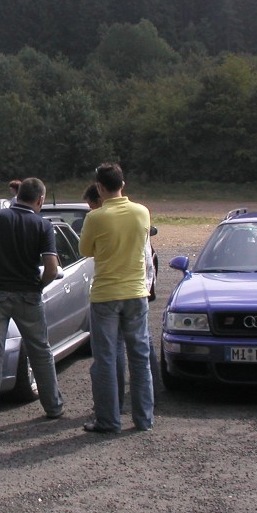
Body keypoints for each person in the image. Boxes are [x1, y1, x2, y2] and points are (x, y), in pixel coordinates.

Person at [0, 177, 65, 431]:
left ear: (17, 195)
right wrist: (38, 286)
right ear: (40, 199)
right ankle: (53, 407)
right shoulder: (43, 225)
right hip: (28, 294)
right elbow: (51, 268)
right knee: (40, 351)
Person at [78, 163, 154, 434]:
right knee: (139, 356)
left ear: (99, 187)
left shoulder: (96, 218)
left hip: (106, 294)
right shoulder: (142, 212)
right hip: (136, 293)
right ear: (123, 183)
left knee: (107, 358)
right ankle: (144, 418)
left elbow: (85, 250)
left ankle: (108, 420)